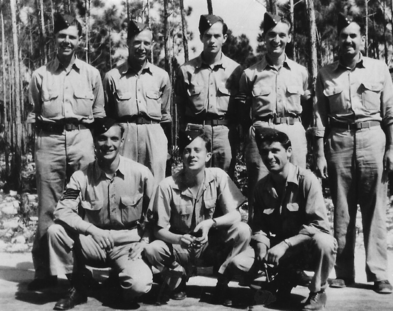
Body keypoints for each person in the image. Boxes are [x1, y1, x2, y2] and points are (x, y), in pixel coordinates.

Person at [314, 11, 393, 294]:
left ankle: (378, 272)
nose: (348, 40)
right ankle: (342, 271)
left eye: (353, 35)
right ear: (336, 40)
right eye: (343, 36)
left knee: (375, 209)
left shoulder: (378, 69)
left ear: (362, 40)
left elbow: (391, 113)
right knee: (342, 209)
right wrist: (319, 154)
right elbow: (319, 119)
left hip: (372, 137)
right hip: (338, 140)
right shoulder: (326, 73)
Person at [26, 12, 105, 290]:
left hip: (82, 138)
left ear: (79, 40)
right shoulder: (40, 75)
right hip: (49, 140)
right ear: (54, 39)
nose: (66, 41)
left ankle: (83, 270)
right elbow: (34, 112)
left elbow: (99, 115)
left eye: (72, 36)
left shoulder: (92, 74)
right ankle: (45, 272)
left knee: (84, 203)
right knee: (49, 205)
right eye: (62, 36)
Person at [46, 118, 154, 310]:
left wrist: (144, 241)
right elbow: (62, 210)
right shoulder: (81, 176)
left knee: (139, 285)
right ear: (94, 141)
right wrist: (93, 230)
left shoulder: (141, 174)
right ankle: (77, 286)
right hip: (92, 242)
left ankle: (116, 284)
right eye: (102, 139)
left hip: (127, 244)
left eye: (114, 139)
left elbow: (155, 215)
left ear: (122, 141)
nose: (108, 144)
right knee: (56, 231)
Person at [231, 128, 336, 311]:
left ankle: (317, 292)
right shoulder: (260, 188)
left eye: (275, 151)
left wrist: (286, 244)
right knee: (238, 264)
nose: (269, 157)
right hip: (279, 252)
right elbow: (259, 228)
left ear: (288, 152)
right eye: (264, 152)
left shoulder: (307, 180)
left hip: (305, 249)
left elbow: (319, 226)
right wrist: (262, 247)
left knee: (325, 242)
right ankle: (286, 278)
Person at [144, 131, 251, 307]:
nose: (192, 155)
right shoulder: (167, 186)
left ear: (208, 156)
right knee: (152, 249)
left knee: (243, 230)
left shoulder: (218, 176)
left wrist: (211, 223)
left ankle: (222, 282)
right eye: (186, 151)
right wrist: (179, 239)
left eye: (197, 150)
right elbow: (158, 230)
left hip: (210, 247)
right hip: (180, 249)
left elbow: (236, 215)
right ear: (181, 156)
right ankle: (178, 278)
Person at [239, 12, 310, 223]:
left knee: (296, 185)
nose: (276, 40)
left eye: (281, 35)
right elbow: (243, 112)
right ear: (264, 37)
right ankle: (259, 241)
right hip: (262, 131)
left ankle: (296, 241)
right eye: (271, 35)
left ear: (289, 38)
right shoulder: (250, 74)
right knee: (260, 188)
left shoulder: (300, 72)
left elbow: (306, 106)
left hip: (293, 130)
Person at [104, 20, 172, 184]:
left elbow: (165, 115)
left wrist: (166, 146)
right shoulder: (113, 76)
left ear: (152, 45)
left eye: (146, 43)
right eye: (136, 42)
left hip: (154, 135)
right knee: (125, 183)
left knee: (156, 185)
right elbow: (108, 116)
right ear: (128, 43)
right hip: (125, 136)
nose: (142, 47)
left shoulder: (161, 76)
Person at [175, 14, 243, 178]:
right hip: (196, 131)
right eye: (208, 36)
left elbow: (241, 109)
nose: (212, 40)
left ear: (224, 38)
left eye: (217, 36)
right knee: (195, 179)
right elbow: (180, 106)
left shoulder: (236, 70)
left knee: (224, 180)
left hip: (224, 133)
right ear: (201, 37)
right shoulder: (186, 70)